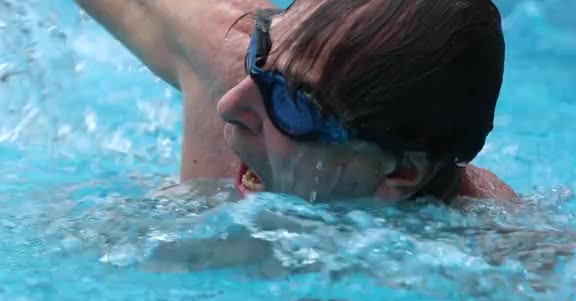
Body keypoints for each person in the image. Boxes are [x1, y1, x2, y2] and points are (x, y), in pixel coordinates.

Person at [75, 0, 517, 203]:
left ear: (400, 172)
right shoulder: (224, 51)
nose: (230, 104)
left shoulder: (492, 262)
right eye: (260, 51)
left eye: (294, 103)